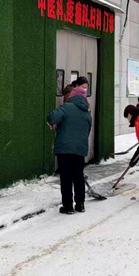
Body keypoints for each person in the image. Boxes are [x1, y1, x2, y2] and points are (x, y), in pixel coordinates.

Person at [47, 87, 93, 215]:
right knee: (78, 176)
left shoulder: (67, 107)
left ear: (72, 96)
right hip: (80, 149)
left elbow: (52, 117)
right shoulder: (87, 112)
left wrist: (54, 123)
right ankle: (80, 204)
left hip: (65, 148)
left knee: (66, 177)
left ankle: (68, 206)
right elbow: (87, 131)